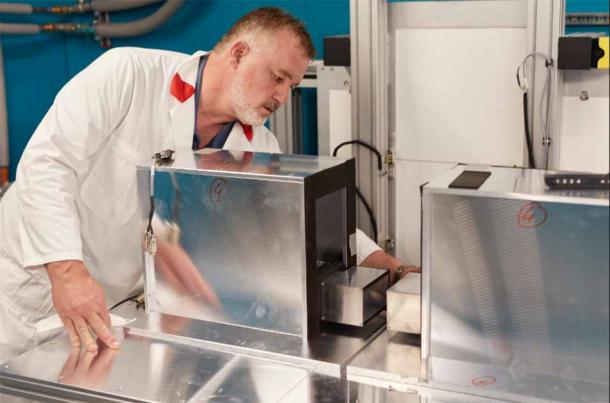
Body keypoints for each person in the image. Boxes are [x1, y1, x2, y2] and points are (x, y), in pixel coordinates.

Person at [0, 7, 419, 362]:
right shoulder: (128, 74)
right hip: (29, 282)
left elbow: (304, 222)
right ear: (238, 54)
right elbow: (45, 163)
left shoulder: (257, 145)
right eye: (277, 78)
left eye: (291, 86)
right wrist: (67, 272)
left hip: (110, 300)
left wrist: (388, 264)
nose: (282, 97)